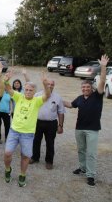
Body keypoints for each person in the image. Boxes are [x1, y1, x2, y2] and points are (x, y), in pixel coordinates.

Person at [63, 54, 109, 187]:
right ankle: (83, 168)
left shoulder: (97, 96)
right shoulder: (79, 98)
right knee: (81, 150)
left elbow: (102, 81)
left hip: (92, 129)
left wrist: (103, 67)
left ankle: (90, 175)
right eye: (83, 87)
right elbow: (70, 105)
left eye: (87, 87)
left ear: (91, 88)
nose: (85, 89)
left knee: (91, 153)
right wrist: (56, 100)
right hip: (79, 128)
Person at [3, 70, 51, 187]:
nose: (28, 92)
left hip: (28, 134)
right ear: (24, 90)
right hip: (14, 131)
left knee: (25, 156)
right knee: (7, 153)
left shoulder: (37, 101)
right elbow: (9, 89)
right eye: (27, 89)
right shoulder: (19, 97)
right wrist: (6, 80)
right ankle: (8, 169)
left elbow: (47, 95)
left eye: (31, 90)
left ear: (34, 92)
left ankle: (22, 175)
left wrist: (45, 84)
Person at [29, 79, 65, 170]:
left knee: (50, 142)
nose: (50, 86)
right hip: (38, 122)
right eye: (48, 84)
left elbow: (61, 112)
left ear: (54, 86)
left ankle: (49, 161)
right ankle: (35, 157)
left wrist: (60, 125)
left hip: (51, 123)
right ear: (44, 84)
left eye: (52, 84)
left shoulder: (58, 97)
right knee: (36, 141)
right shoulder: (37, 95)